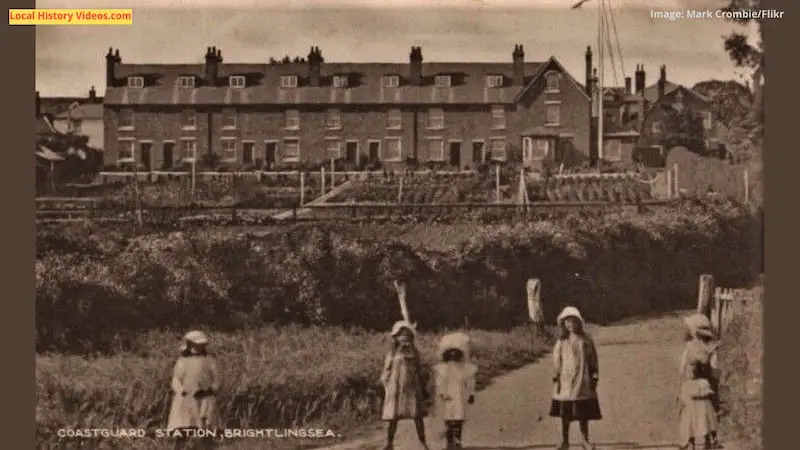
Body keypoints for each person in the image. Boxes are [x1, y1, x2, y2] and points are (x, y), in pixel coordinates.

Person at [550, 306, 602, 450]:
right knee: (565, 413)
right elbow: (556, 360)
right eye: (568, 322)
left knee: (582, 412)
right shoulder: (561, 341)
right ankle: (564, 441)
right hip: (565, 382)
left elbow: (593, 359)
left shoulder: (586, 340)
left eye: (574, 321)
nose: (571, 324)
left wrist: (594, 375)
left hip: (582, 380)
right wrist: (556, 376)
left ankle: (585, 440)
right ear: (563, 324)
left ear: (579, 322)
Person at [380, 320, 430, 450]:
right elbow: (386, 370)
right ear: (395, 337)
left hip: (412, 388)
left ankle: (422, 442)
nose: (404, 338)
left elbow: (419, 370)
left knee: (417, 416)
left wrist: (423, 386)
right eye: (401, 335)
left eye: (407, 335)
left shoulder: (414, 353)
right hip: (396, 388)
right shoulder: (391, 353)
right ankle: (389, 443)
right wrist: (386, 384)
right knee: (393, 418)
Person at [167, 330, 221, 449]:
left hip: (204, 399)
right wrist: (182, 391)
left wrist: (210, 390)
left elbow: (217, 379)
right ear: (189, 345)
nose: (198, 348)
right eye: (195, 345)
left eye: (201, 345)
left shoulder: (210, 361)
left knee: (205, 430)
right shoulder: (182, 362)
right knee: (183, 429)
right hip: (186, 399)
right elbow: (176, 379)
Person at [679, 314, 721, 448]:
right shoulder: (712, 351)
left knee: (689, 415)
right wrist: (715, 390)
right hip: (704, 387)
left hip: (690, 386)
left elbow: (682, 370)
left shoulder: (688, 348)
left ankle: (689, 442)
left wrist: (680, 388)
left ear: (694, 332)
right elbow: (715, 372)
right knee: (706, 415)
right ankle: (710, 440)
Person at [433, 332, 478, 450]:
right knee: (448, 420)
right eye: (450, 353)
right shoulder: (443, 369)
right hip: (447, 396)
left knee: (458, 419)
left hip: (459, 394)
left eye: (456, 353)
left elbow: (470, 381)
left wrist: (471, 393)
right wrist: (442, 393)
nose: (453, 355)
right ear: (446, 355)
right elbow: (440, 382)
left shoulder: (465, 369)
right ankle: (449, 441)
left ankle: (458, 440)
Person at [678, 361, 718, 449]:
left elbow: (707, 394)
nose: (691, 374)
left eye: (694, 371)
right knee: (689, 424)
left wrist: (702, 396)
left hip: (702, 407)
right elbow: (684, 397)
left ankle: (709, 440)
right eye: (689, 372)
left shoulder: (703, 382)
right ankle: (690, 442)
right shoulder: (687, 384)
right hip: (691, 408)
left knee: (705, 423)